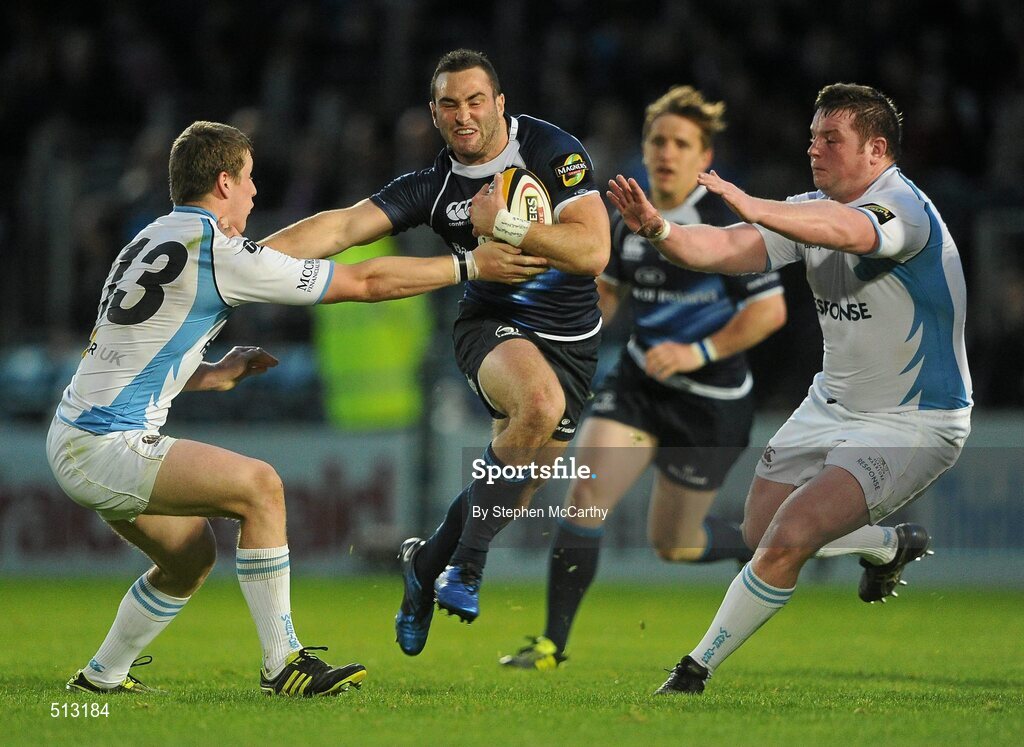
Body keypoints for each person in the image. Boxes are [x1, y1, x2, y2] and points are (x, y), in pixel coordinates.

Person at [48, 121, 545, 696]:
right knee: (260, 487)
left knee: (190, 558)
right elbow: (364, 281)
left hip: (78, 435)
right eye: (251, 179)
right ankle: (283, 664)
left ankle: (99, 677)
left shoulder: (149, 240)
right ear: (224, 181)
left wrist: (211, 373)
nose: (257, 192)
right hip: (104, 443)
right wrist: (471, 267)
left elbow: (123, 353)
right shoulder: (219, 251)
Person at [608, 82, 972, 695]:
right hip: (829, 403)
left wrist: (754, 203)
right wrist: (659, 230)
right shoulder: (808, 208)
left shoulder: (903, 210)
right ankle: (887, 546)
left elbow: (852, 234)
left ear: (877, 150)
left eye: (832, 139)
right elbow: (725, 246)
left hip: (914, 421)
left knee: (789, 539)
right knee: (759, 534)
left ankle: (694, 670)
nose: (814, 149)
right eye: (812, 137)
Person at [261, 49, 610, 654]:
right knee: (538, 403)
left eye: (476, 101)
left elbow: (593, 252)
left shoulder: (555, 152)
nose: (464, 115)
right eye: (450, 105)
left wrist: (507, 226)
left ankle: (424, 566)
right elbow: (342, 228)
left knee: (515, 487)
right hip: (491, 326)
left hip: (575, 342)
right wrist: (245, 258)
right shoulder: (432, 186)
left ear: (500, 103)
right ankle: (467, 569)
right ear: (434, 113)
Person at [500, 86, 787, 670]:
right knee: (586, 497)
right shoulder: (622, 217)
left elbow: (769, 311)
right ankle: (552, 643)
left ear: (704, 156)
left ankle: (753, 545)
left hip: (710, 403)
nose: (666, 152)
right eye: (657, 140)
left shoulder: (724, 222)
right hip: (638, 386)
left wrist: (696, 350)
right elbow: (606, 296)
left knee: (675, 545)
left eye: (681, 143)